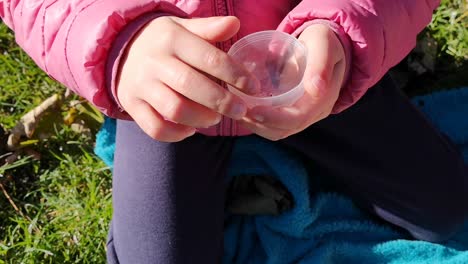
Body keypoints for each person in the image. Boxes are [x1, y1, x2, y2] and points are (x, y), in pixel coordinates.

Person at [1, 0, 467, 263]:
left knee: (447, 206)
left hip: (310, 64)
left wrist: (345, 25)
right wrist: (119, 47)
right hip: (173, 97)